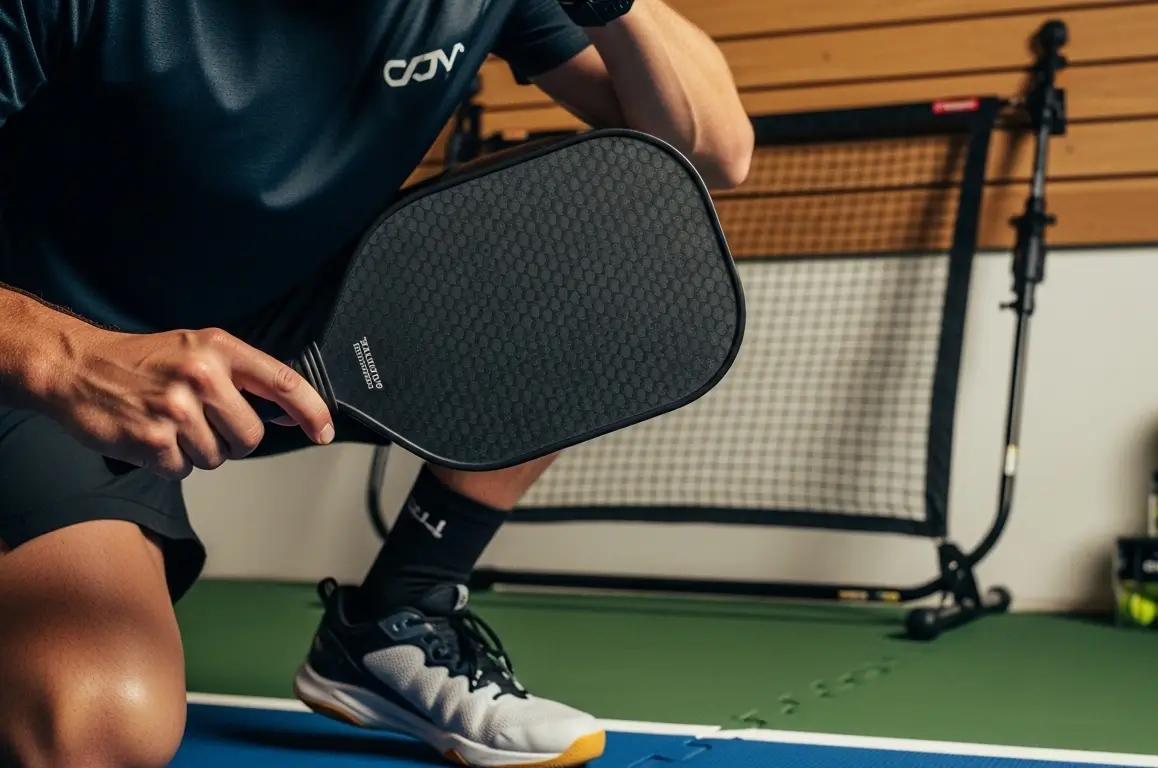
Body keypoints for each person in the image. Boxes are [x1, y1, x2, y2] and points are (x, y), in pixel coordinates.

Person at [0, 0, 753, 764]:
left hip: (274, 336)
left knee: (613, 234)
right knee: (97, 731)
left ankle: (399, 618)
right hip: (35, 359)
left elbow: (714, 153)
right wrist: (68, 360)